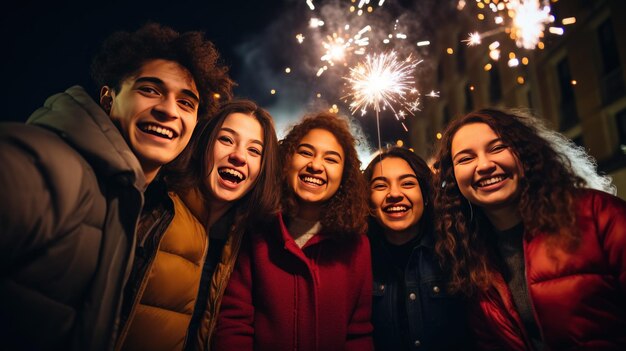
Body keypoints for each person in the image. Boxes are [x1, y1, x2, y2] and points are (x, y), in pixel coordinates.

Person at [0, 23, 233, 350]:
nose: (168, 110)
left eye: (186, 103)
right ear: (108, 98)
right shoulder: (54, 163)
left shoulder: (158, 206)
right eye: (150, 90)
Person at [432, 108, 626, 350]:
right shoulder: (467, 255)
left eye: (497, 148)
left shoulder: (598, 214)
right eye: (465, 159)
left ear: (525, 154)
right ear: (453, 177)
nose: (484, 165)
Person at [115, 100, 281, 350]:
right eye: (226, 140)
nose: (238, 156)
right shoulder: (154, 208)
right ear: (204, 143)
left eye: (254, 151)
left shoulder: (244, 243)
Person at [213, 112, 373, 350]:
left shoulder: (356, 246)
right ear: (286, 160)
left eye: (331, 159)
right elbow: (234, 323)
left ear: (345, 175)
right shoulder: (255, 230)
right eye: (306, 152)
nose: (316, 166)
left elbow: (358, 334)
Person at [363, 147, 473, 351]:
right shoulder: (358, 261)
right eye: (380, 185)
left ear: (426, 195)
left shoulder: (456, 250)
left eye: (407, 183)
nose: (394, 194)